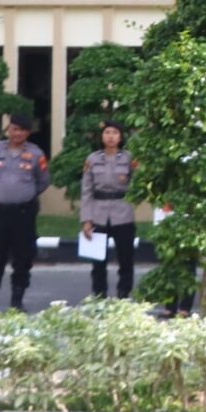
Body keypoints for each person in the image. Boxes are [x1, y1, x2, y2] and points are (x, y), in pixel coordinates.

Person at [0, 113, 51, 316]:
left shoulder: (36, 154)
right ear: (8, 129)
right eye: (13, 128)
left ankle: (17, 301)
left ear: (27, 132)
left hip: (23, 212)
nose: (16, 133)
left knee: (23, 256)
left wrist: (24, 193)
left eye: (21, 130)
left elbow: (43, 181)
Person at [79, 121, 139, 299]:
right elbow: (86, 190)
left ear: (120, 137)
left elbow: (138, 182)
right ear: (101, 136)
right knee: (98, 261)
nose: (110, 136)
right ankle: (99, 296)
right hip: (98, 212)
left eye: (114, 132)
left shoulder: (129, 158)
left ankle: (123, 295)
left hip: (123, 212)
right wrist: (86, 219)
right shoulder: (92, 159)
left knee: (125, 259)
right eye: (107, 132)